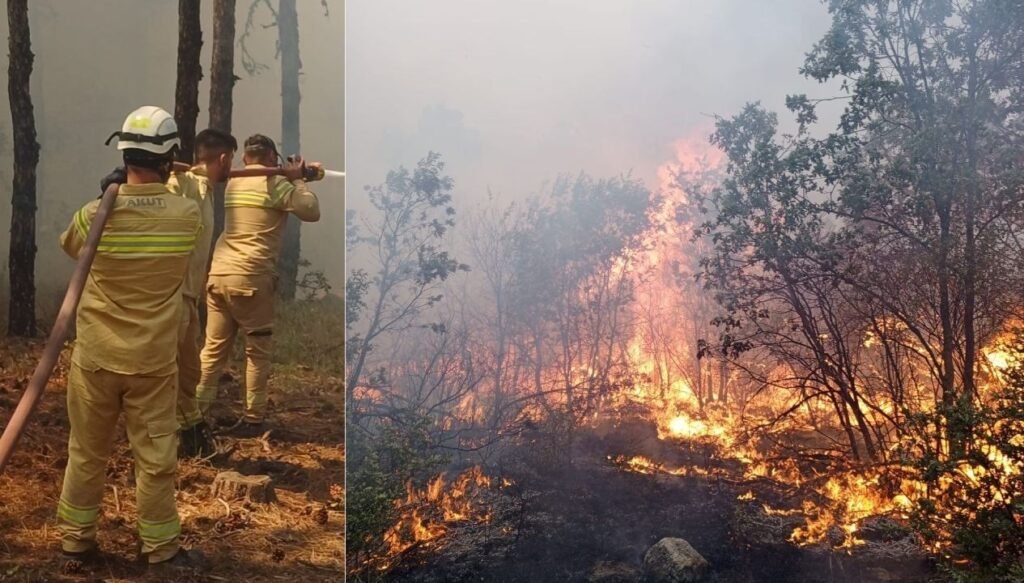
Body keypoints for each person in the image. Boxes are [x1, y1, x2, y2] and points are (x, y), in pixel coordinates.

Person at [57, 106, 205, 572]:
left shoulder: (92, 215)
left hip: (96, 358)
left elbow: (70, 245)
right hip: (152, 363)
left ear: (123, 156)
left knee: (85, 452)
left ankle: (76, 543)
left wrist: (108, 197)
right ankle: (160, 549)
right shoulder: (186, 216)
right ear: (170, 157)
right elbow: (176, 206)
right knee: (156, 459)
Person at [195, 134, 320, 435]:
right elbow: (311, 211)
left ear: (245, 158)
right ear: (270, 159)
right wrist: (298, 181)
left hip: (219, 276)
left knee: (212, 350)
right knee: (257, 351)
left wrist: (291, 176)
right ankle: (253, 418)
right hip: (251, 279)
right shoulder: (274, 184)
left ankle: (196, 416)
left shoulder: (234, 182)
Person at [167, 129, 237, 457]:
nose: (231, 169)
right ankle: (166, 441)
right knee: (168, 370)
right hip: (171, 296)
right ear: (223, 158)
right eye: (230, 161)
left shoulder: (206, 190)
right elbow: (163, 191)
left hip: (188, 297)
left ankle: (191, 435)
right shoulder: (186, 185)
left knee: (189, 370)